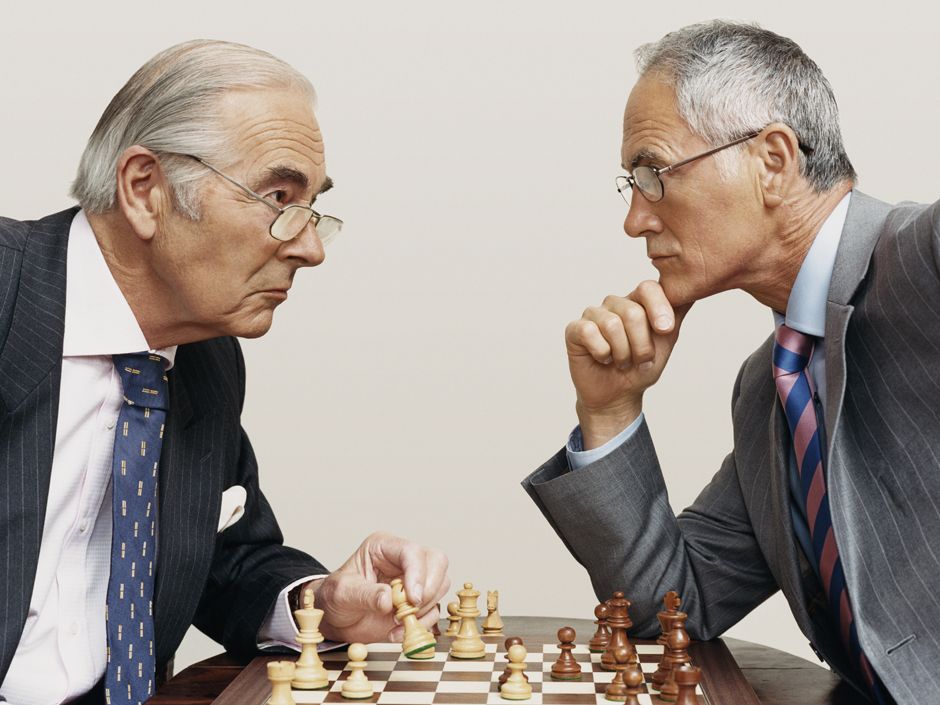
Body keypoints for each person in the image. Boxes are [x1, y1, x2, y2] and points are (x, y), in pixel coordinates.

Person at [0, 40, 449, 705]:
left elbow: (220, 560)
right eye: (277, 196)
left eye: (313, 205)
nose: (311, 246)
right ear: (145, 190)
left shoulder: (206, 358)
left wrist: (323, 601)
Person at [523, 20, 939, 704]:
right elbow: (669, 611)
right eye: (630, 183)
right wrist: (610, 411)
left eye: (653, 173)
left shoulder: (925, 258)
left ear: (773, 160)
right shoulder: (769, 390)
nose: (634, 219)